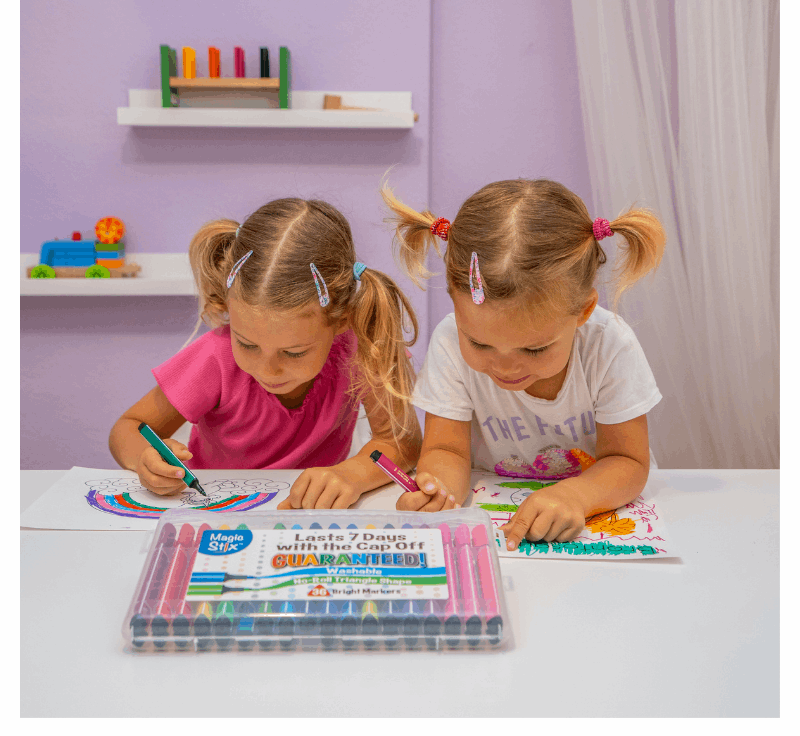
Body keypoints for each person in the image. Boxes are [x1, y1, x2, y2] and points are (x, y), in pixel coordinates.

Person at [383, 177, 665, 548]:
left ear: (583, 311)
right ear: (454, 300)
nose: (506, 368)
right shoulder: (450, 340)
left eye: (533, 350)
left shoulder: (608, 344)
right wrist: (437, 491)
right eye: (480, 343)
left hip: (600, 516)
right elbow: (447, 451)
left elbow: (628, 462)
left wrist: (577, 496)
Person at [109, 197, 421, 509]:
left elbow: (401, 442)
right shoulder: (214, 357)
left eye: (294, 352)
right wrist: (145, 461)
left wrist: (352, 474)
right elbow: (128, 428)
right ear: (230, 309)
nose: (268, 370)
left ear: (340, 321)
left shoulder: (363, 349)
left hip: (308, 519)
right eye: (247, 344)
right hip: (213, 514)